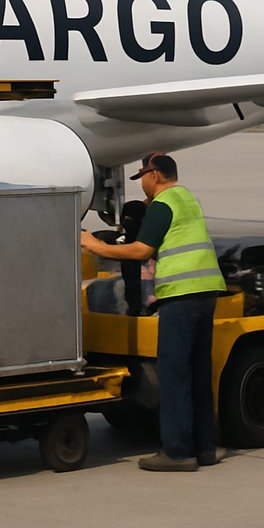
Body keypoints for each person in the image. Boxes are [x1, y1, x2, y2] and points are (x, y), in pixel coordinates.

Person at [79, 152, 226, 471]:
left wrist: (96, 246)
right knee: (199, 374)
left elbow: (141, 250)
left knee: (173, 375)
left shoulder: (162, 204)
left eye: (142, 177)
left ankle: (177, 452)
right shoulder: (187, 197)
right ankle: (205, 448)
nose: (141, 183)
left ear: (155, 175)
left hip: (181, 296)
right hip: (206, 292)